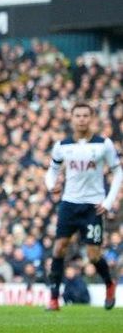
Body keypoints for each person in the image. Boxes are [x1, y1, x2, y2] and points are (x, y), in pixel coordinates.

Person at [44, 101, 122, 311]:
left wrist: (108, 201)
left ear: (91, 118)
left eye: (85, 116)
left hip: (92, 206)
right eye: (77, 115)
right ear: (72, 118)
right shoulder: (62, 146)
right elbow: (51, 171)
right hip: (69, 203)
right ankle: (53, 299)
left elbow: (118, 172)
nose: (81, 119)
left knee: (93, 255)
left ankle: (109, 284)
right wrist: (51, 185)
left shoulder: (103, 144)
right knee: (59, 248)